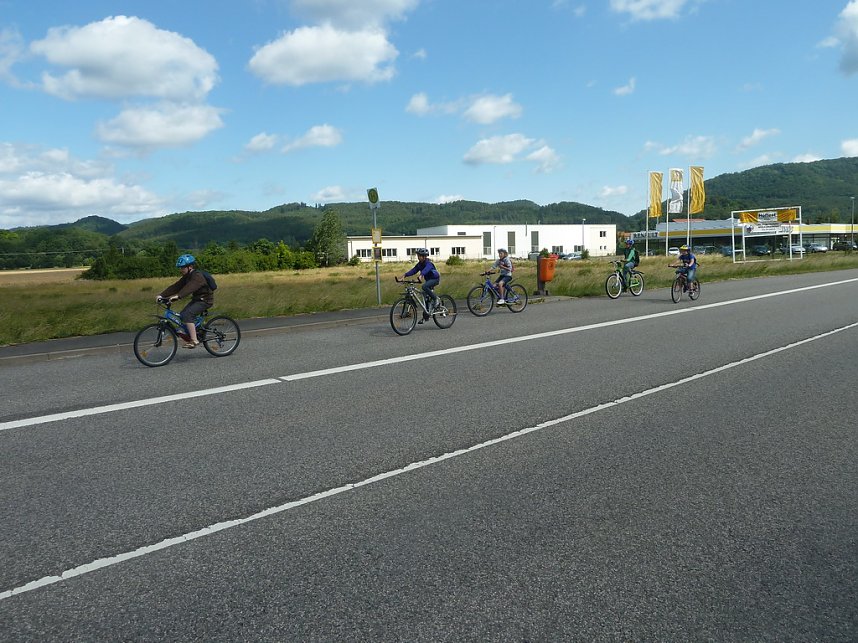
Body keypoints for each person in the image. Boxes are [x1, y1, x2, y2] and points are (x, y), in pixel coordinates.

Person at [157, 254, 214, 348]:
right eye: (180, 268)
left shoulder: (197, 276)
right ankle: (196, 331)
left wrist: (178, 296)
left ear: (190, 267)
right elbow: (176, 286)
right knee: (183, 314)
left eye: (182, 268)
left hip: (205, 300)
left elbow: (190, 288)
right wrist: (162, 295)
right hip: (197, 299)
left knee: (188, 314)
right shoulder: (187, 276)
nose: (181, 270)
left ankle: (194, 340)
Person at [402, 248, 440, 323]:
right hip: (428, 280)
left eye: (419, 255)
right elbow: (414, 270)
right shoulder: (420, 264)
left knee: (424, 287)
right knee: (424, 297)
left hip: (435, 279)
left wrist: (421, 275)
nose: (418, 257)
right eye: (418, 255)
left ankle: (436, 299)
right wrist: (404, 275)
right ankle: (426, 316)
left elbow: (426, 270)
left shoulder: (429, 263)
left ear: (424, 257)